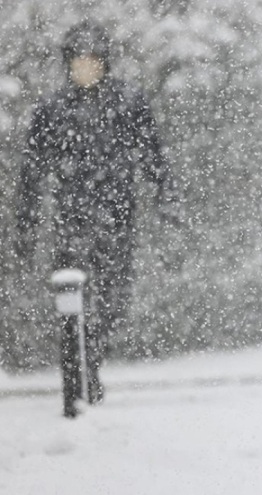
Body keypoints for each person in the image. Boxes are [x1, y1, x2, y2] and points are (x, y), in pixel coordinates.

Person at [15, 20, 179, 414]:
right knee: (71, 305)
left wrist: (167, 202)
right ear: (68, 65)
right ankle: (76, 386)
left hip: (118, 219)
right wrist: (27, 224)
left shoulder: (128, 103)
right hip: (71, 222)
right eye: (78, 61)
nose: (85, 68)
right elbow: (32, 172)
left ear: (104, 63)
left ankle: (93, 358)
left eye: (92, 60)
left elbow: (154, 157)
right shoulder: (53, 110)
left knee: (112, 304)